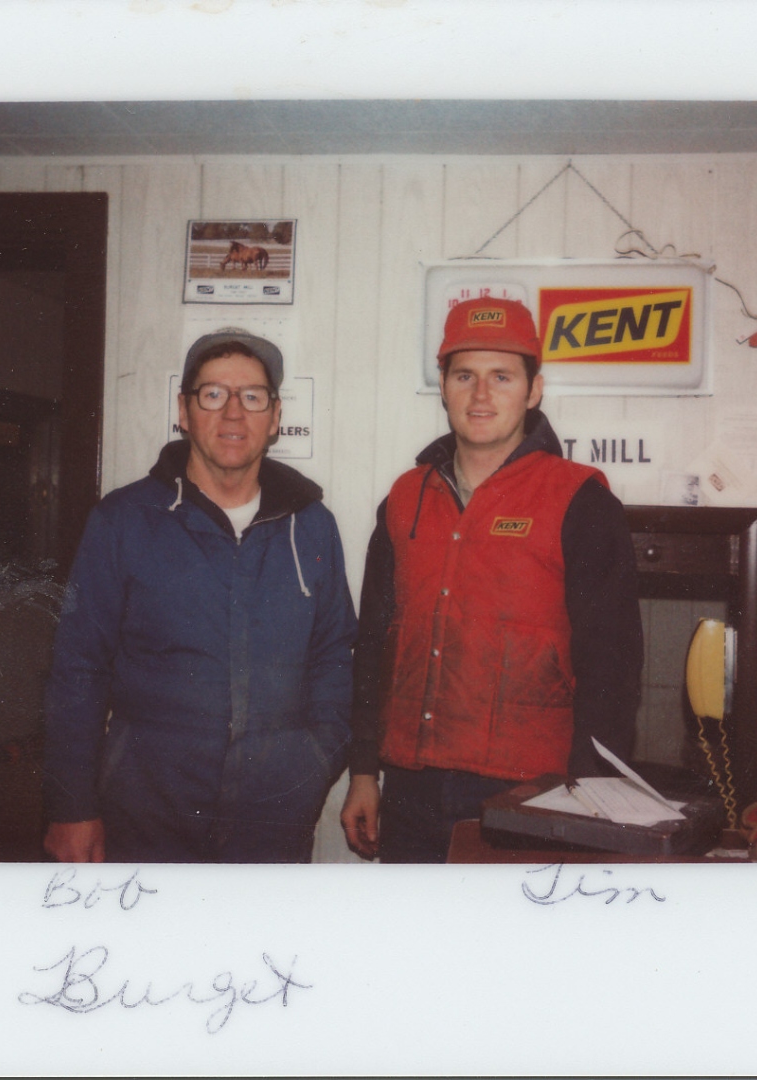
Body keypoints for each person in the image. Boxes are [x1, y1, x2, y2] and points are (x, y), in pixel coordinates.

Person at [340, 297, 644, 863]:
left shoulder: (581, 501)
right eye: (465, 376)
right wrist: (363, 772)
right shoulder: (404, 500)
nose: (481, 395)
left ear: (533, 390)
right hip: (410, 788)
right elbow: (372, 650)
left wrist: (591, 797)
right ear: (444, 385)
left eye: (501, 376)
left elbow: (613, 669)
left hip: (533, 794)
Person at [42, 328, 357, 864]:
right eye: (213, 394)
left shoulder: (312, 526)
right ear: (184, 411)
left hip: (273, 818)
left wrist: (313, 759)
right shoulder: (122, 521)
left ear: (275, 417)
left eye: (252, 397)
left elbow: (335, 654)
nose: (233, 413)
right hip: (145, 813)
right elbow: (77, 668)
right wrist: (71, 806)